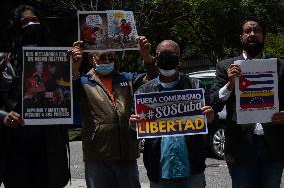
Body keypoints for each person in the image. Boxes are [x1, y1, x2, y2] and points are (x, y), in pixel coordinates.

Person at [70, 36, 158, 188]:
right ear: (92, 59)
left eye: (111, 57)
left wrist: (147, 59)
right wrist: (74, 68)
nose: (107, 61)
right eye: (103, 57)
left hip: (127, 154)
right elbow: (68, 94)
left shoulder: (127, 78)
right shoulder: (83, 82)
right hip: (97, 156)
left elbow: (153, 83)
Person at [0, 5, 70, 188]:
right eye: (24, 21)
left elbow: (69, 96)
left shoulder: (57, 59)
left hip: (49, 147)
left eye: (34, 20)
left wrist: (74, 69)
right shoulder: (4, 62)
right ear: (15, 26)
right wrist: (3, 115)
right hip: (15, 146)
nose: (30, 25)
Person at [209, 18, 284, 188]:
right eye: (247, 31)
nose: (252, 34)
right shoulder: (226, 66)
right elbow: (214, 103)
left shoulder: (280, 66)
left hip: (273, 147)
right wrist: (230, 84)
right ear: (241, 37)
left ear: (264, 36)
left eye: (256, 31)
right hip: (240, 148)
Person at [129, 40, 214, 188]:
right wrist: (132, 126)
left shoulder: (195, 86)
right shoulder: (144, 91)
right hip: (160, 170)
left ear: (179, 59)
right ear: (155, 58)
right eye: (162, 54)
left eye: (171, 54)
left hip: (192, 170)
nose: (166, 57)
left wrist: (211, 118)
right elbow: (133, 130)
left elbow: (211, 123)